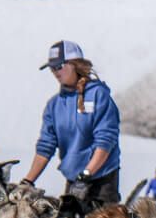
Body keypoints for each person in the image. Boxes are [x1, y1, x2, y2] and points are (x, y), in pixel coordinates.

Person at [21, 40, 121, 208]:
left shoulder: (99, 95)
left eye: (59, 66)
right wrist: (27, 181)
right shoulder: (55, 105)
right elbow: (46, 147)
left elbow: (105, 140)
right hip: (74, 183)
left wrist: (86, 175)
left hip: (102, 184)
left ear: (75, 64)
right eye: (51, 68)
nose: (55, 72)